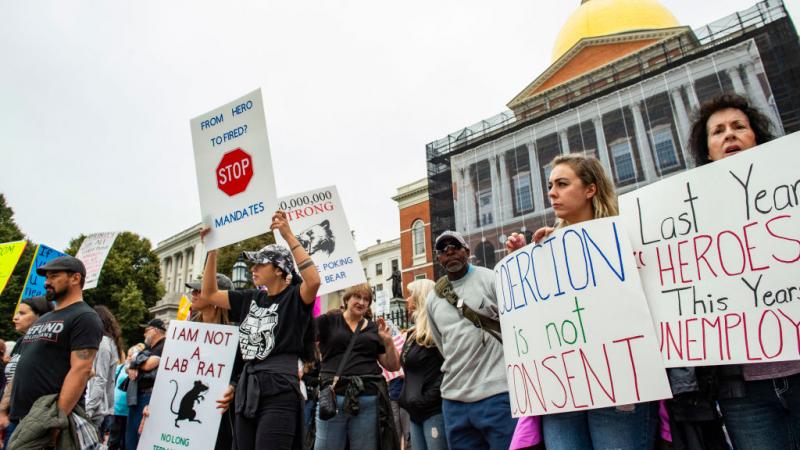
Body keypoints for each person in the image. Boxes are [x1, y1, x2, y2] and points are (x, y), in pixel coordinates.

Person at [507, 154, 659, 450]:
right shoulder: (546, 247)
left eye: (562, 184)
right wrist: (523, 262)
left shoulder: (626, 233)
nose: (552, 193)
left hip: (619, 384)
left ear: (590, 189)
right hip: (561, 391)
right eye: (550, 185)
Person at [686, 93, 799, 450]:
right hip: (742, 390)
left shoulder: (792, 188)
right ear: (707, 150)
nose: (729, 135)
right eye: (717, 131)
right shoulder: (685, 216)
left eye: (738, 127)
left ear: (756, 137)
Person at [195, 210, 321, 450]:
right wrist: (212, 250)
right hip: (249, 389)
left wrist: (288, 235)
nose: (253, 268)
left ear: (278, 269)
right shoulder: (249, 298)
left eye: (260, 264)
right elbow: (209, 293)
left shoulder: (295, 298)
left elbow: (313, 281)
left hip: (280, 388)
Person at [425, 230, 516, 449]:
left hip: (497, 395)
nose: (450, 252)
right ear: (438, 258)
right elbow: (442, 344)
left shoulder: (491, 279)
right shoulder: (433, 298)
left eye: (455, 247)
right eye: (443, 250)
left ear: (466, 251)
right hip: (454, 403)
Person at [7, 256, 104, 444]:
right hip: (22, 416)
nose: (47, 283)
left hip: (47, 418)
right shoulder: (45, 318)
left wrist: (56, 420)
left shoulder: (84, 317)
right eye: (46, 278)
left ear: (75, 278)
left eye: (54, 276)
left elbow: (81, 370)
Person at [314, 283, 401, 450]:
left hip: (367, 397)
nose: (362, 302)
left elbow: (393, 366)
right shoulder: (328, 320)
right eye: (357, 297)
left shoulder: (374, 328)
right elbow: (303, 338)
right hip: (333, 397)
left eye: (366, 299)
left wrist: (388, 341)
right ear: (347, 299)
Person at [186, 273, 238, 450]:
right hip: (187, 423)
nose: (193, 293)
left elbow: (243, 372)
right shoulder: (185, 334)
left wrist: (234, 387)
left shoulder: (237, 336)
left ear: (217, 297)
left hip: (220, 417)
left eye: (198, 290)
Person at [399, 279, 448, 450]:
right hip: (415, 412)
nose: (407, 300)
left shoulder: (436, 331)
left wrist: (426, 399)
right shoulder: (412, 334)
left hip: (433, 411)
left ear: (421, 297)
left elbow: (447, 369)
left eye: (411, 294)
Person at [0, 296, 55, 448]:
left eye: (22, 313)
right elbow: (13, 380)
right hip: (14, 416)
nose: (15, 318)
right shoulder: (21, 341)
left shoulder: (48, 344)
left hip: (33, 419)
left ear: (41, 316)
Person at [125, 318, 166, 450]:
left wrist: (135, 363)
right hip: (138, 396)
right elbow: (128, 364)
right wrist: (133, 364)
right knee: (131, 437)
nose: (144, 334)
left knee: (141, 437)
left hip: (148, 396)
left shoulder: (165, 345)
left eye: (146, 330)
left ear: (155, 330)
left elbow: (149, 365)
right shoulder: (149, 348)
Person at [86, 305, 124, 437]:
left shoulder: (103, 344)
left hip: (95, 409)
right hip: (99, 407)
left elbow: (100, 378)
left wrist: (89, 409)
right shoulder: (108, 342)